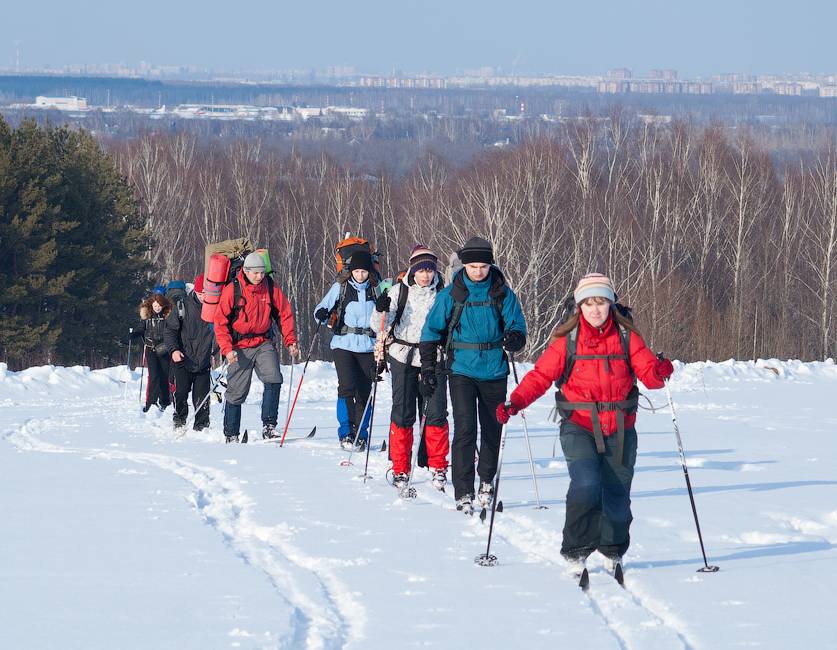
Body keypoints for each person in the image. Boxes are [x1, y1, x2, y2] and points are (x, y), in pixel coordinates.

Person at [496, 272, 674, 577]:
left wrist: (660, 371)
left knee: (617, 495)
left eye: (601, 302)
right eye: (589, 303)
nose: (595, 310)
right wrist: (516, 402)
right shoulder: (568, 340)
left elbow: (649, 376)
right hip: (579, 424)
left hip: (620, 426)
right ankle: (576, 550)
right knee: (587, 484)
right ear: (580, 306)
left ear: (611, 304)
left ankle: (613, 549)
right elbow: (540, 376)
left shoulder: (628, 337)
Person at [419, 237, 527, 514]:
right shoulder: (451, 294)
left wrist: (515, 338)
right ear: (464, 265)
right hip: (461, 369)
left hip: (494, 368)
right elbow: (431, 331)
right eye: (472, 266)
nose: (478, 271)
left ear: (490, 264)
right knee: (465, 428)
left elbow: (517, 323)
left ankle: (487, 481)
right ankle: (463, 490)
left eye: (482, 266)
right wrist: (429, 367)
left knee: (493, 428)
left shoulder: (502, 292)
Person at [372, 245, 449, 492]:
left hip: (434, 357)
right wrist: (380, 308)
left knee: (436, 413)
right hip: (402, 356)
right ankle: (401, 468)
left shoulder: (443, 293)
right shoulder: (398, 292)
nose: (426, 275)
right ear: (413, 270)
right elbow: (379, 326)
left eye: (429, 270)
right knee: (403, 413)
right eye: (421, 270)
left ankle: (438, 466)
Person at [214, 252, 298, 443]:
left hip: (263, 342)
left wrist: (290, 341)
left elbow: (284, 313)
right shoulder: (232, 289)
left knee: (274, 378)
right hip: (238, 347)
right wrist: (227, 350)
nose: (260, 277)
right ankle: (231, 434)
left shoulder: (269, 287)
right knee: (236, 392)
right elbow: (220, 322)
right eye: (256, 273)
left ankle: (269, 426)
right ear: (246, 271)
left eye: (262, 272)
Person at [314, 249, 379, 451]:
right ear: (351, 271)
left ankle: (361, 433)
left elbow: (386, 316)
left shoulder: (377, 290)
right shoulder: (340, 287)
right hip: (344, 344)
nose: (360, 275)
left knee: (365, 392)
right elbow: (320, 311)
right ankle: (346, 432)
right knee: (347, 387)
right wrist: (323, 314)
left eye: (364, 271)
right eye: (357, 271)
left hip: (368, 346)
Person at [164, 273, 217, 432]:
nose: (203, 297)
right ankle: (179, 419)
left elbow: (222, 331)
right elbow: (169, 332)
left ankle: (201, 427)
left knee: (202, 399)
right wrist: (174, 350)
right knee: (180, 393)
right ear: (196, 291)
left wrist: (216, 351)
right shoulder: (182, 307)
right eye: (201, 294)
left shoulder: (215, 308)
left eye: (206, 294)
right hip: (182, 359)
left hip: (203, 361)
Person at [134, 294, 173, 412]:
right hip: (151, 349)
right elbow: (141, 329)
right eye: (155, 305)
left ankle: (165, 400)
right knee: (154, 375)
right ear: (151, 305)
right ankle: (151, 401)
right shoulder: (147, 317)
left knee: (164, 375)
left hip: (164, 349)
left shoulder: (167, 316)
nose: (157, 308)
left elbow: (172, 331)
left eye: (159, 305)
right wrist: (135, 333)